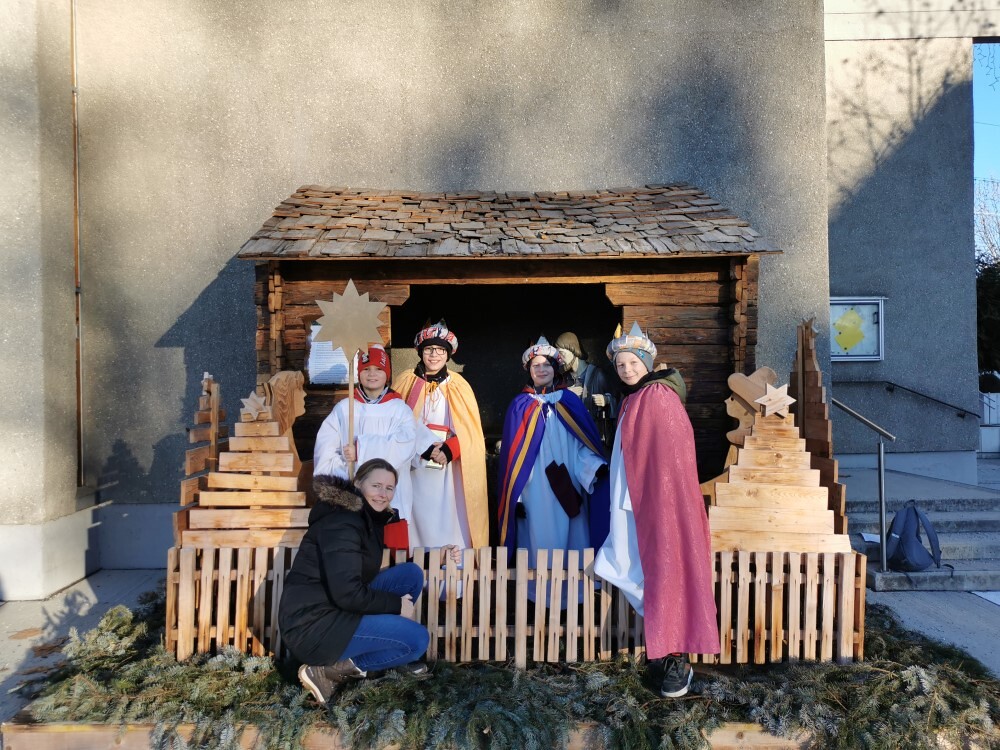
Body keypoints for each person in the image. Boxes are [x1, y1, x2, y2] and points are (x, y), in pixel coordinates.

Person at [593, 322, 720, 698]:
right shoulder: (635, 398)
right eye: (621, 365)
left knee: (666, 570)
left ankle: (676, 657)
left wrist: (658, 505)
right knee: (636, 569)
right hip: (634, 501)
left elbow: (669, 464)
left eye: (633, 362)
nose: (627, 369)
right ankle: (662, 648)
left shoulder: (658, 397)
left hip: (656, 506)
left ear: (647, 363)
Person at [278, 459, 430, 705]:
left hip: (336, 608)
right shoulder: (343, 522)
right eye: (376, 486)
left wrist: (439, 555)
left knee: (409, 575)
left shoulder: (366, 517)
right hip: (314, 628)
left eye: (389, 488)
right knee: (417, 641)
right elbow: (348, 593)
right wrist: (396, 605)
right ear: (358, 484)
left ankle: (385, 655)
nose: (383, 494)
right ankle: (327, 670)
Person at [497, 336, 610, 562]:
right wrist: (516, 499)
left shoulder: (569, 401)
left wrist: (594, 467)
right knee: (539, 540)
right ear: (528, 370)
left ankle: (574, 584)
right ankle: (538, 585)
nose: (542, 370)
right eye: (536, 365)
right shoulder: (520, 406)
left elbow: (582, 445)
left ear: (555, 368)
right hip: (534, 490)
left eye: (546, 365)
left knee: (574, 539)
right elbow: (512, 459)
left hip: (570, 483)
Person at [392, 321, 489, 550]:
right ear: (420, 352)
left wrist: (449, 449)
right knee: (415, 516)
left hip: (449, 469)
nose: (434, 355)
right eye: (429, 349)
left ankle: (452, 567)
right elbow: (394, 423)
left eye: (440, 350)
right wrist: (422, 447)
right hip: (414, 465)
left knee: (450, 518)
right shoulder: (405, 381)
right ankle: (417, 564)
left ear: (448, 354)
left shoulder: (459, 385)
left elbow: (471, 433)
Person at [313, 344, 419, 525]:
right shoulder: (344, 408)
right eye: (366, 369)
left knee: (390, 541)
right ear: (358, 373)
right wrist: (346, 472)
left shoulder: (400, 410)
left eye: (379, 369)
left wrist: (361, 450)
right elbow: (325, 450)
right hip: (353, 491)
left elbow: (405, 445)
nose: (372, 374)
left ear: (387, 374)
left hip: (391, 496)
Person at [555, 331, 615, 435]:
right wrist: (566, 394)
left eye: (562, 354)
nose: (560, 359)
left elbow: (617, 400)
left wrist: (607, 400)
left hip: (593, 434)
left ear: (574, 350)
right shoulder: (563, 379)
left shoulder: (597, 375)